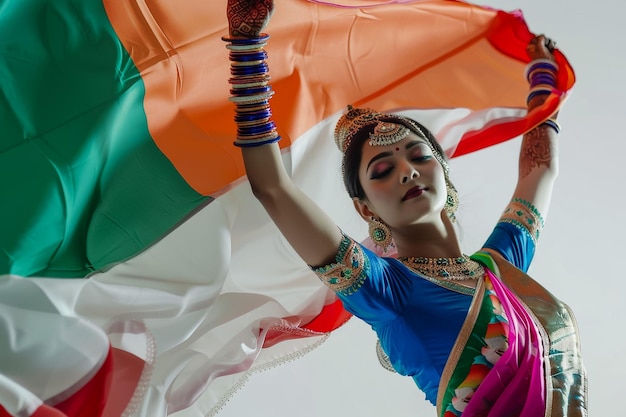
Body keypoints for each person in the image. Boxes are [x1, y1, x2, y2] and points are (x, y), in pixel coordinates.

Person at [224, 0, 587, 415]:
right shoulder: (388, 289)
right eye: (382, 170)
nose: (407, 172)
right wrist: (246, 47)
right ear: (365, 210)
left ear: (443, 172)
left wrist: (541, 76)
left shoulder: (499, 267)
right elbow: (273, 188)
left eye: (418, 156)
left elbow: (539, 171)